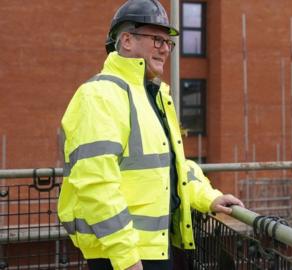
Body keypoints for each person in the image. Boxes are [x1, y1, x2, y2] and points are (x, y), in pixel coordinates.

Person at [57, 0, 244, 269]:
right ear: (127, 40)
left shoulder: (153, 96)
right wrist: (126, 257)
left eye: (168, 43)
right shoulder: (99, 95)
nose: (166, 49)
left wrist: (209, 197)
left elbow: (171, 166)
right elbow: (96, 184)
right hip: (123, 256)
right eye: (157, 40)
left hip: (155, 248)